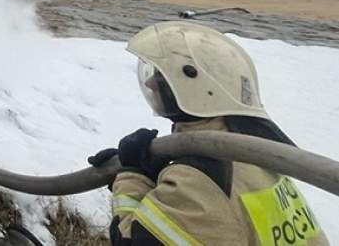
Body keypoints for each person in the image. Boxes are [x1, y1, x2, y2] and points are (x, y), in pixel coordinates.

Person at [90, 21, 329, 246]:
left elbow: (130, 240)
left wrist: (132, 175)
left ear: (196, 86)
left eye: (161, 77)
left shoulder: (203, 178)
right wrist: (153, 173)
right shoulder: (258, 152)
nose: (151, 83)